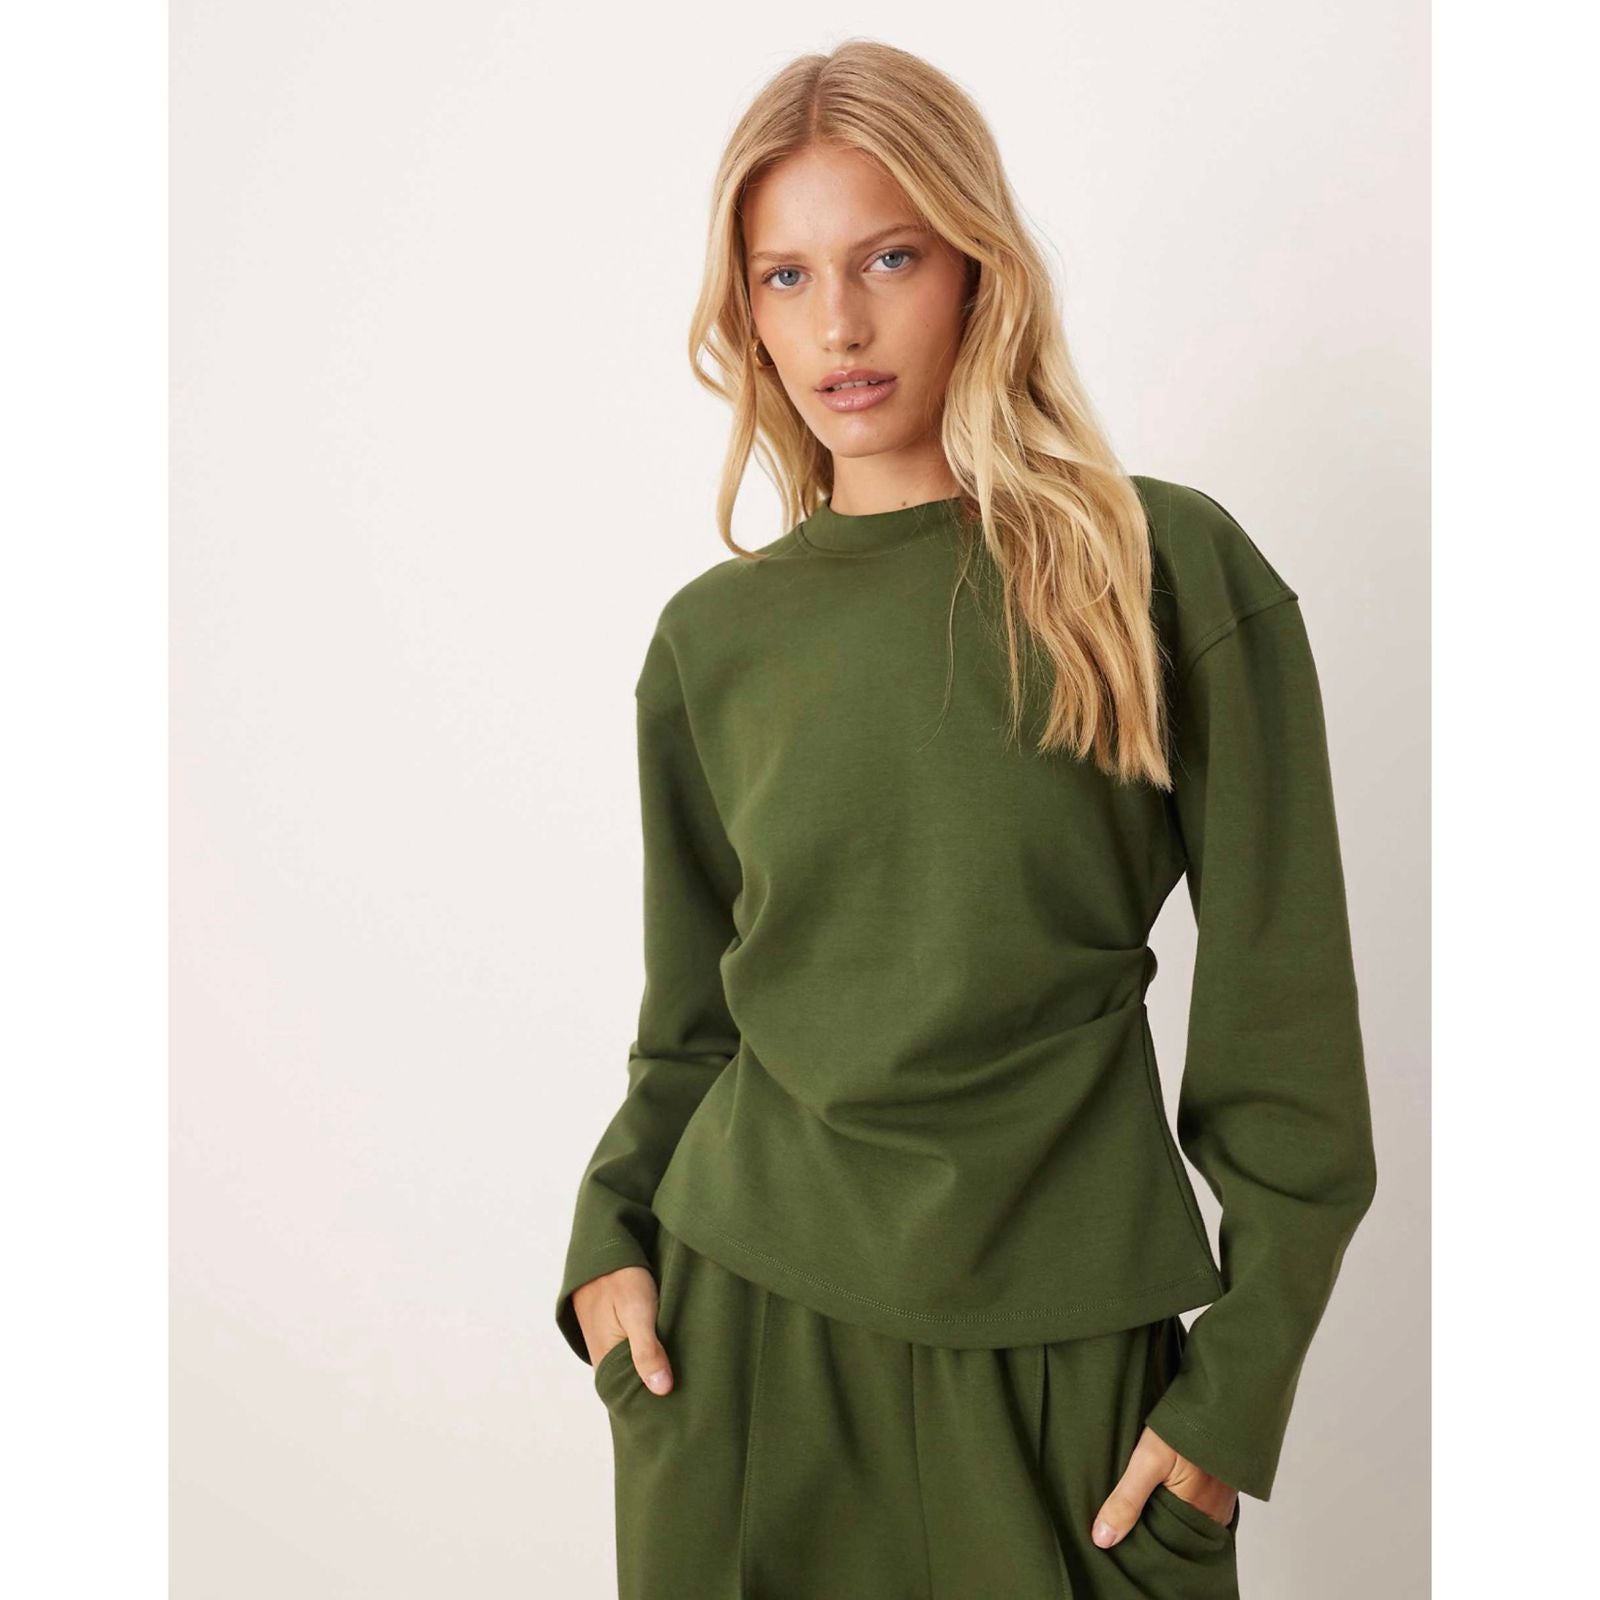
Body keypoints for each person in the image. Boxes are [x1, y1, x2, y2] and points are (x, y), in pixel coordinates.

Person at [554, 39, 1378, 1600]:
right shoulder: (713, 645)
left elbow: (1288, 1041)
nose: (840, 325)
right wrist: (608, 1244)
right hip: (742, 1342)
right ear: (745, 312)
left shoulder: (1158, 573)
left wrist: (1235, 1394)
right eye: (786, 276)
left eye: (889, 257)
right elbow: (694, 1028)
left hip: (1071, 1358)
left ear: (977, 266)